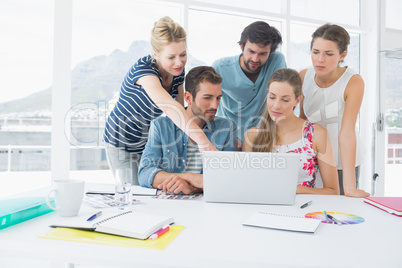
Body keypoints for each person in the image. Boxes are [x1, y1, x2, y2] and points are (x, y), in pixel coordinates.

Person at [103, 17, 217, 185]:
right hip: (122, 141)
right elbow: (170, 108)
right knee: (135, 193)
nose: (179, 62)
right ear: (156, 55)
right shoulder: (144, 71)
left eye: (183, 55)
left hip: (148, 141)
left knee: (156, 189)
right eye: (171, 57)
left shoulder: (177, 72)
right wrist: (204, 144)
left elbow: (180, 109)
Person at [138, 66, 237, 194]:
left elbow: (228, 178)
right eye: (207, 98)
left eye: (218, 98)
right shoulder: (161, 126)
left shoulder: (227, 128)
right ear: (188, 97)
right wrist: (189, 179)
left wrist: (190, 186)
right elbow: (145, 174)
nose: (215, 105)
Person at [299, 23, 370, 197]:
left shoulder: (353, 82)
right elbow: (301, 123)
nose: (320, 59)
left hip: (341, 160)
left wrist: (350, 187)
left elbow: (346, 133)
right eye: (315, 52)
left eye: (328, 54)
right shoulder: (303, 76)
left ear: (342, 55)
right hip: (313, 157)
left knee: (340, 210)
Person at [243, 68, 339, 195]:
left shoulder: (316, 135)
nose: (276, 105)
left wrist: (296, 189)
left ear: (297, 100)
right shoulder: (252, 136)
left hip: (303, 209)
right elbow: (246, 185)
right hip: (263, 209)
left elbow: (333, 192)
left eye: (285, 100)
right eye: (272, 97)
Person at [212, 21, 287, 149]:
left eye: (262, 54)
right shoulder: (220, 67)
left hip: (261, 133)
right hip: (227, 134)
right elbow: (208, 102)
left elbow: (283, 97)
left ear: (270, 53)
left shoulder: (276, 60)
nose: (255, 59)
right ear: (242, 46)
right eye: (251, 51)